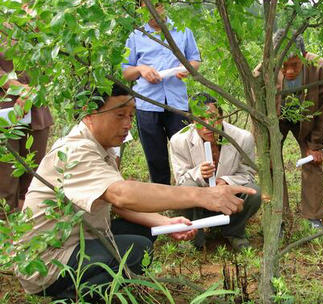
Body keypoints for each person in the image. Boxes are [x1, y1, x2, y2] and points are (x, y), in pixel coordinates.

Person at [15, 85, 256, 299]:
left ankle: (108, 284)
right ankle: (72, 296)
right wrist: (205, 195)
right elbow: (122, 195)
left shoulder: (102, 148)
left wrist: (167, 221)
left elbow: (118, 206)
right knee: (138, 249)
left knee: (144, 233)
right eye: (119, 115)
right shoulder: (76, 151)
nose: (128, 124)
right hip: (47, 262)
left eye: (131, 116)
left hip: (82, 238)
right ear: (89, 114)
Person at [254, 30, 323, 229]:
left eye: (295, 65)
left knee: (313, 160)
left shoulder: (321, 70)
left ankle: (313, 218)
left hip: (306, 116)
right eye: (284, 65)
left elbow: (322, 110)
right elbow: (258, 113)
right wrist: (266, 148)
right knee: (272, 164)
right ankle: (278, 218)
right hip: (275, 119)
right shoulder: (262, 72)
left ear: (304, 58)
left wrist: (315, 144)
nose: (289, 71)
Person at [122, 0, 201, 185]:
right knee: (155, 158)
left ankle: (189, 196)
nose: (153, 9)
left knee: (187, 152)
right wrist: (141, 69)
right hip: (147, 104)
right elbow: (126, 72)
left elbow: (195, 60)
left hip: (177, 103)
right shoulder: (136, 36)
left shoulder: (182, 31)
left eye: (157, 3)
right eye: (146, 5)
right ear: (140, 8)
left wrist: (188, 69)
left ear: (164, 5)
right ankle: (162, 200)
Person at [169, 93, 261, 251]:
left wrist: (226, 181)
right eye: (200, 120)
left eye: (212, 117)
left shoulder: (243, 138)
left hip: (229, 197)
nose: (207, 125)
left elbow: (248, 173)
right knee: (185, 189)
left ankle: (234, 232)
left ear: (222, 116)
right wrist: (200, 173)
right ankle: (194, 237)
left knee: (255, 192)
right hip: (199, 200)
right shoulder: (179, 141)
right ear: (192, 121)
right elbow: (181, 179)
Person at [0, 41, 53, 213]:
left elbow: (53, 63)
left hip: (37, 108)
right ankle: (6, 234)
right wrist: (20, 89)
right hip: (5, 109)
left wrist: (33, 91)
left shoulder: (44, 17)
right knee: (5, 182)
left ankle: (25, 233)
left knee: (32, 179)